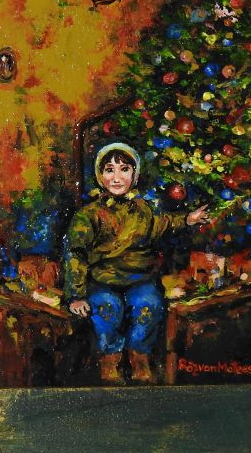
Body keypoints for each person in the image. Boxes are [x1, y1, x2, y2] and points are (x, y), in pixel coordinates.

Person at [63, 142, 209, 384]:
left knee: (149, 306)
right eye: (109, 170)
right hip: (103, 280)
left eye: (124, 169)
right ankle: (110, 362)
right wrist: (76, 295)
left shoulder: (143, 210)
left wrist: (188, 219)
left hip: (140, 279)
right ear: (100, 176)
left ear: (134, 175)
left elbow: (164, 223)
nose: (117, 177)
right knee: (106, 308)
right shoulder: (88, 215)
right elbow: (75, 253)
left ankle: (139, 359)